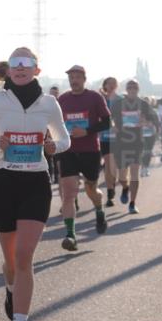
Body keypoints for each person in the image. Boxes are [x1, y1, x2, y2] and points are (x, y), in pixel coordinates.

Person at [0, 48, 70, 321]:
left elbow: (64, 139)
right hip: (3, 183)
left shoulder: (49, 103)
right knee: (12, 260)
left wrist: (53, 147)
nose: (21, 67)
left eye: (27, 63)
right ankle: (11, 289)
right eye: (16, 63)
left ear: (37, 69)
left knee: (25, 255)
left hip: (35, 183)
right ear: (9, 70)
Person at [56, 65, 111, 249]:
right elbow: (55, 123)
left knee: (91, 190)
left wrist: (86, 131)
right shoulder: (62, 99)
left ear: (84, 79)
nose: (74, 80)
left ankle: (99, 210)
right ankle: (70, 235)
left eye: (77, 77)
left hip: (90, 151)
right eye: (71, 77)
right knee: (69, 193)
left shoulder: (95, 97)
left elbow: (107, 122)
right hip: (68, 151)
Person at [111, 79, 159, 214]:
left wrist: (147, 122)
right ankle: (125, 188)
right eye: (130, 87)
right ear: (126, 89)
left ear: (138, 89)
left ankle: (132, 203)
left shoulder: (143, 104)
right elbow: (109, 118)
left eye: (135, 87)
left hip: (137, 142)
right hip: (121, 142)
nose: (132, 90)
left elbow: (154, 121)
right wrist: (113, 126)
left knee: (134, 173)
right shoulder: (118, 104)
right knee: (122, 176)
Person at [99, 77, 122, 205]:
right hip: (105, 136)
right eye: (110, 83)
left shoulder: (121, 100)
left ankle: (112, 185)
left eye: (114, 83)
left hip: (118, 137)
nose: (112, 85)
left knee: (114, 165)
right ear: (105, 85)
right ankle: (110, 193)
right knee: (108, 164)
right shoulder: (100, 100)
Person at [140, 96, 157, 177]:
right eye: (144, 101)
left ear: (150, 102)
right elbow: (138, 122)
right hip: (141, 134)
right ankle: (142, 168)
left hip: (151, 135)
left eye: (147, 101)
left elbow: (155, 123)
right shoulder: (139, 112)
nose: (146, 103)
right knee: (143, 151)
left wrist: (147, 123)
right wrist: (146, 122)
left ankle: (146, 168)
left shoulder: (153, 112)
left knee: (148, 152)